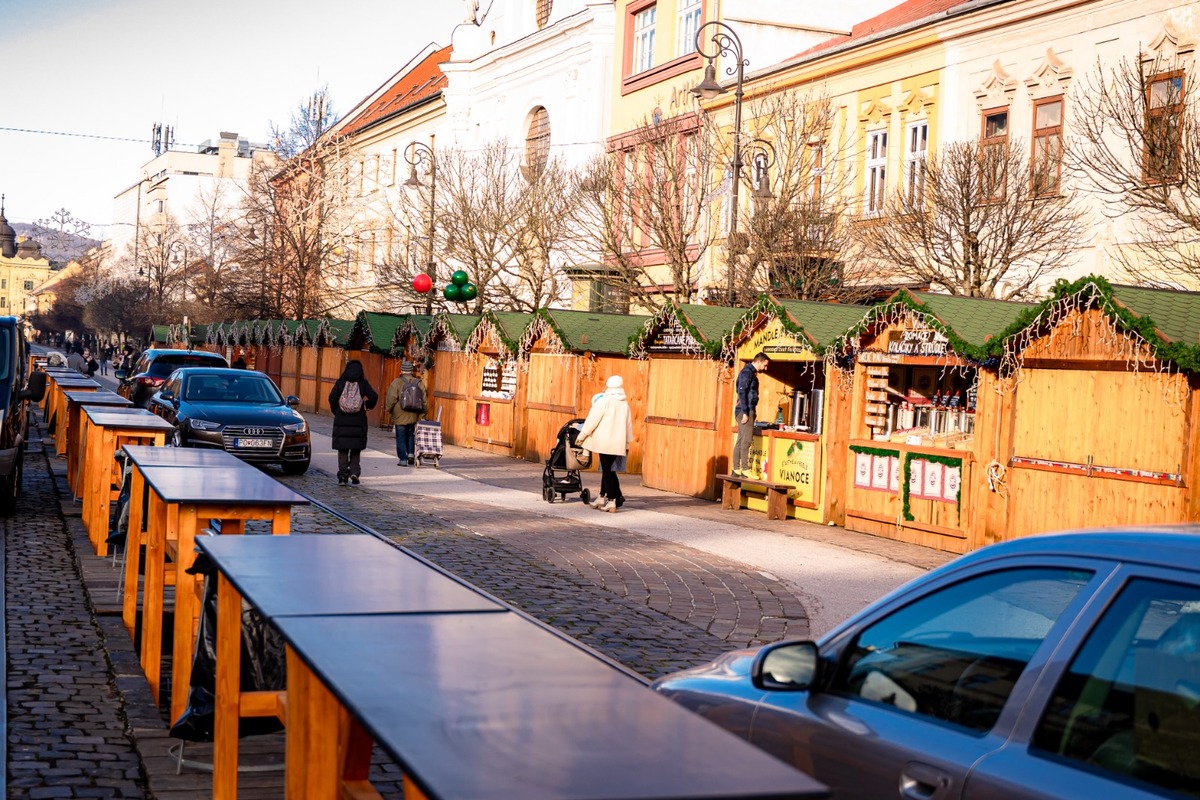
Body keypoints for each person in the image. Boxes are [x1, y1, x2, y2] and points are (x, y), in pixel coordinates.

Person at [577, 375, 633, 513]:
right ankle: (602, 497)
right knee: (607, 469)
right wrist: (626, 443)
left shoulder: (604, 401)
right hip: (618, 442)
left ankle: (612, 499)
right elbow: (628, 425)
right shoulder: (624, 404)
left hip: (604, 441)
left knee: (608, 471)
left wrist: (582, 435)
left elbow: (592, 420)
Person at [328, 359, 378, 486]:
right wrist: (367, 405)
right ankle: (355, 471)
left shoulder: (340, 383)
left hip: (341, 420)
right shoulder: (363, 383)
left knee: (343, 450)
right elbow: (374, 396)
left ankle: (343, 476)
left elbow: (332, 398)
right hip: (358, 420)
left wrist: (336, 410)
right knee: (356, 449)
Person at [732, 352, 770, 477]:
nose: (765, 369)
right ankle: (745, 469)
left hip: (743, 410)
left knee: (741, 439)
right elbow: (742, 392)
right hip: (745, 410)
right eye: (764, 365)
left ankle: (736, 469)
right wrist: (746, 412)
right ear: (759, 361)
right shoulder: (747, 373)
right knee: (746, 440)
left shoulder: (749, 372)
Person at [384, 360, 426, 467]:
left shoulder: (397, 382)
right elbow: (424, 400)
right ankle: (411, 454)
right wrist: (422, 415)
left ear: (402, 370)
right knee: (410, 434)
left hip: (399, 414)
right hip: (414, 414)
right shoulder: (419, 383)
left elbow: (391, 398)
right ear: (411, 371)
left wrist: (388, 409)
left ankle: (403, 459)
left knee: (401, 436)